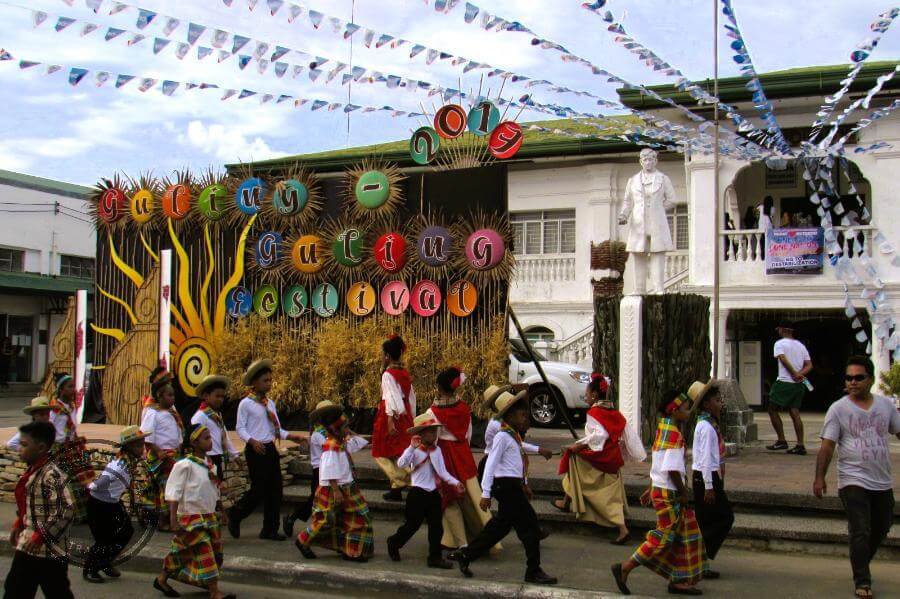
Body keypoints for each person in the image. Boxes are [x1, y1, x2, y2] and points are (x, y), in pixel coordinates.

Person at [448, 390, 557, 585]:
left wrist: (523, 483)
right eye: (522, 415)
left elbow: (516, 460)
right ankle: (533, 570)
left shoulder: (512, 435)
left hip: (511, 485)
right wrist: (486, 492)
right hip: (505, 486)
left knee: (499, 528)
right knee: (529, 526)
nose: (525, 419)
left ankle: (466, 555)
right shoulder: (502, 436)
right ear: (510, 416)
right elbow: (491, 465)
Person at [814, 356, 900, 599]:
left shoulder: (885, 406)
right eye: (848, 378)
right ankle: (862, 579)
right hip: (853, 479)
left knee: (882, 525)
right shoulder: (838, 409)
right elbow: (827, 446)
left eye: (858, 377)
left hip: (881, 479)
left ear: (870, 379)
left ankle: (860, 559)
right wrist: (819, 477)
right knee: (860, 529)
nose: (852, 382)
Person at [611, 388, 707, 596]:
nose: (688, 410)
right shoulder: (673, 434)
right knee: (662, 538)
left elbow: (660, 464)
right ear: (674, 411)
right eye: (685, 407)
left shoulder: (663, 427)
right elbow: (671, 469)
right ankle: (626, 567)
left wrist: (652, 486)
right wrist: (683, 492)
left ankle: (679, 580)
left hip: (662, 489)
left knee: (685, 535)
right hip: (669, 493)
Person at [554, 373, 646, 544]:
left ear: (595, 395)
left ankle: (622, 529)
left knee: (574, 459)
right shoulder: (615, 413)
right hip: (613, 459)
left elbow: (598, 436)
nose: (586, 397)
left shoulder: (595, 412)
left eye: (587, 394)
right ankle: (567, 500)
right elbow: (628, 436)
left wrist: (578, 446)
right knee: (574, 458)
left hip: (601, 459)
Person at [154, 424, 235, 599]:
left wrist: (222, 512)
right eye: (206, 438)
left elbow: (215, 492)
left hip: (208, 516)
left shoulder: (210, 466)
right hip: (190, 518)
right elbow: (173, 493)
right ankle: (214, 591)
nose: (210, 441)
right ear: (194, 442)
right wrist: (173, 519)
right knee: (204, 549)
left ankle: (162, 579)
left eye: (210, 437)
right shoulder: (184, 465)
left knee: (189, 552)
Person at [229, 359, 306, 541]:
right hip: (256, 449)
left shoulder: (269, 403)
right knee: (258, 489)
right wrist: (252, 441)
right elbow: (240, 428)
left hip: (270, 447)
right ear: (255, 382)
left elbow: (275, 428)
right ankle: (236, 513)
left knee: (275, 490)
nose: (269, 384)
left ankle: (270, 529)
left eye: (270, 380)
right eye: (265, 380)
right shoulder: (245, 404)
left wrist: (291, 436)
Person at [3, 421, 75, 599]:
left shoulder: (51, 474)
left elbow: (65, 509)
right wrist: (19, 523)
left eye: (24, 445)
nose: (20, 448)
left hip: (47, 548)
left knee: (56, 591)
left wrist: (40, 536)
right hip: (30, 544)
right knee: (16, 588)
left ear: (41, 447)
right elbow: (29, 504)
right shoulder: (34, 471)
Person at [426, 368, 493, 550]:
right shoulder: (464, 408)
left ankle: (454, 540)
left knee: (449, 498)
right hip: (463, 453)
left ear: (439, 388)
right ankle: (484, 534)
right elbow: (468, 434)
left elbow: (434, 437)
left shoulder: (433, 412)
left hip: (445, 455)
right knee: (472, 495)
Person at [295, 405, 373, 562]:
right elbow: (329, 470)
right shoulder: (331, 446)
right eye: (345, 427)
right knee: (326, 520)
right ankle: (303, 540)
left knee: (356, 517)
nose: (347, 430)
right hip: (334, 489)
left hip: (347, 487)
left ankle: (351, 549)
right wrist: (336, 490)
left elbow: (356, 443)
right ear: (335, 429)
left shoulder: (340, 443)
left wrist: (350, 433)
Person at [387, 413, 463, 568]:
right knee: (412, 525)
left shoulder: (437, 451)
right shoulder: (415, 450)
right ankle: (394, 542)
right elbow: (401, 464)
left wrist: (456, 483)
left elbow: (442, 473)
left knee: (437, 527)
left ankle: (434, 558)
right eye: (430, 431)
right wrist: (410, 448)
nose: (433, 434)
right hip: (417, 493)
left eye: (435, 431)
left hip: (433, 492)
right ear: (420, 434)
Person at [83, 425, 146, 583]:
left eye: (142, 444)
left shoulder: (128, 461)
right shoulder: (120, 464)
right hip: (99, 504)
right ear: (129, 447)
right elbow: (102, 482)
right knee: (104, 538)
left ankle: (105, 562)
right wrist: (91, 487)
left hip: (113, 503)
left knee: (125, 531)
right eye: (139, 445)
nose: (142, 448)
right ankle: (90, 569)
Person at [690, 380, 734, 580]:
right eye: (717, 400)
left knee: (706, 520)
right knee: (724, 517)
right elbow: (706, 459)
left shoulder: (708, 424)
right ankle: (698, 552)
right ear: (707, 404)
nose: (720, 403)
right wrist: (709, 486)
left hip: (707, 477)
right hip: (705, 478)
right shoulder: (706, 427)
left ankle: (701, 561)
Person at [479, 384, 552, 484]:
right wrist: (538, 449)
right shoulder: (497, 425)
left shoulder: (508, 423)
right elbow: (516, 441)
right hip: (495, 461)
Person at [282, 400, 335, 537]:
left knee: (321, 499)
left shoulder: (331, 431)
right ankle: (293, 518)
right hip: (320, 470)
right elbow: (331, 448)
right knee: (315, 499)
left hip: (330, 468)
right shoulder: (318, 434)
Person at [371, 335, 415, 501]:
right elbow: (410, 395)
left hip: (391, 414)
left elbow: (391, 396)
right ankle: (396, 489)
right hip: (404, 413)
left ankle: (403, 479)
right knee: (396, 451)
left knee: (379, 450)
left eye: (383, 354)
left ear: (388, 356)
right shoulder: (403, 372)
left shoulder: (389, 374)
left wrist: (390, 420)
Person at [141, 372, 185, 530]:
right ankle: (163, 520)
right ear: (159, 396)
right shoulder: (152, 413)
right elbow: (146, 436)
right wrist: (159, 451)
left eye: (173, 395)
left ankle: (169, 519)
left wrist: (179, 446)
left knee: (173, 487)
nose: (173, 398)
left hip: (174, 454)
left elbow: (177, 432)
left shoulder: (171, 412)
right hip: (162, 457)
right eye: (169, 395)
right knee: (166, 488)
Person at [49, 373, 96, 522]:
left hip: (73, 447)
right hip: (60, 449)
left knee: (86, 477)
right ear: (61, 390)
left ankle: (86, 511)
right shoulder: (54, 410)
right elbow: (49, 430)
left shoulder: (71, 407)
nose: (73, 390)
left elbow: (72, 429)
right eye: (70, 387)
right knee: (71, 481)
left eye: (73, 387)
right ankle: (77, 514)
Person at [766, 321, 812, 455]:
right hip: (798, 384)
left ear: (781, 329)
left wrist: (793, 373)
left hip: (784, 382)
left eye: (778, 329)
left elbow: (782, 359)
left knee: (772, 408)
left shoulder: (779, 344)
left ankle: (781, 440)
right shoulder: (801, 345)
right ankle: (800, 444)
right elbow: (809, 365)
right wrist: (800, 374)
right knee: (794, 412)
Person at [191, 374, 239, 482]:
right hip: (207, 458)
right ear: (206, 396)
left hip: (217, 457)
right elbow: (195, 439)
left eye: (222, 396)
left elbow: (225, 437)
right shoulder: (200, 416)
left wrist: (235, 455)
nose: (220, 399)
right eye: (217, 396)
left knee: (217, 491)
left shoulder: (216, 416)